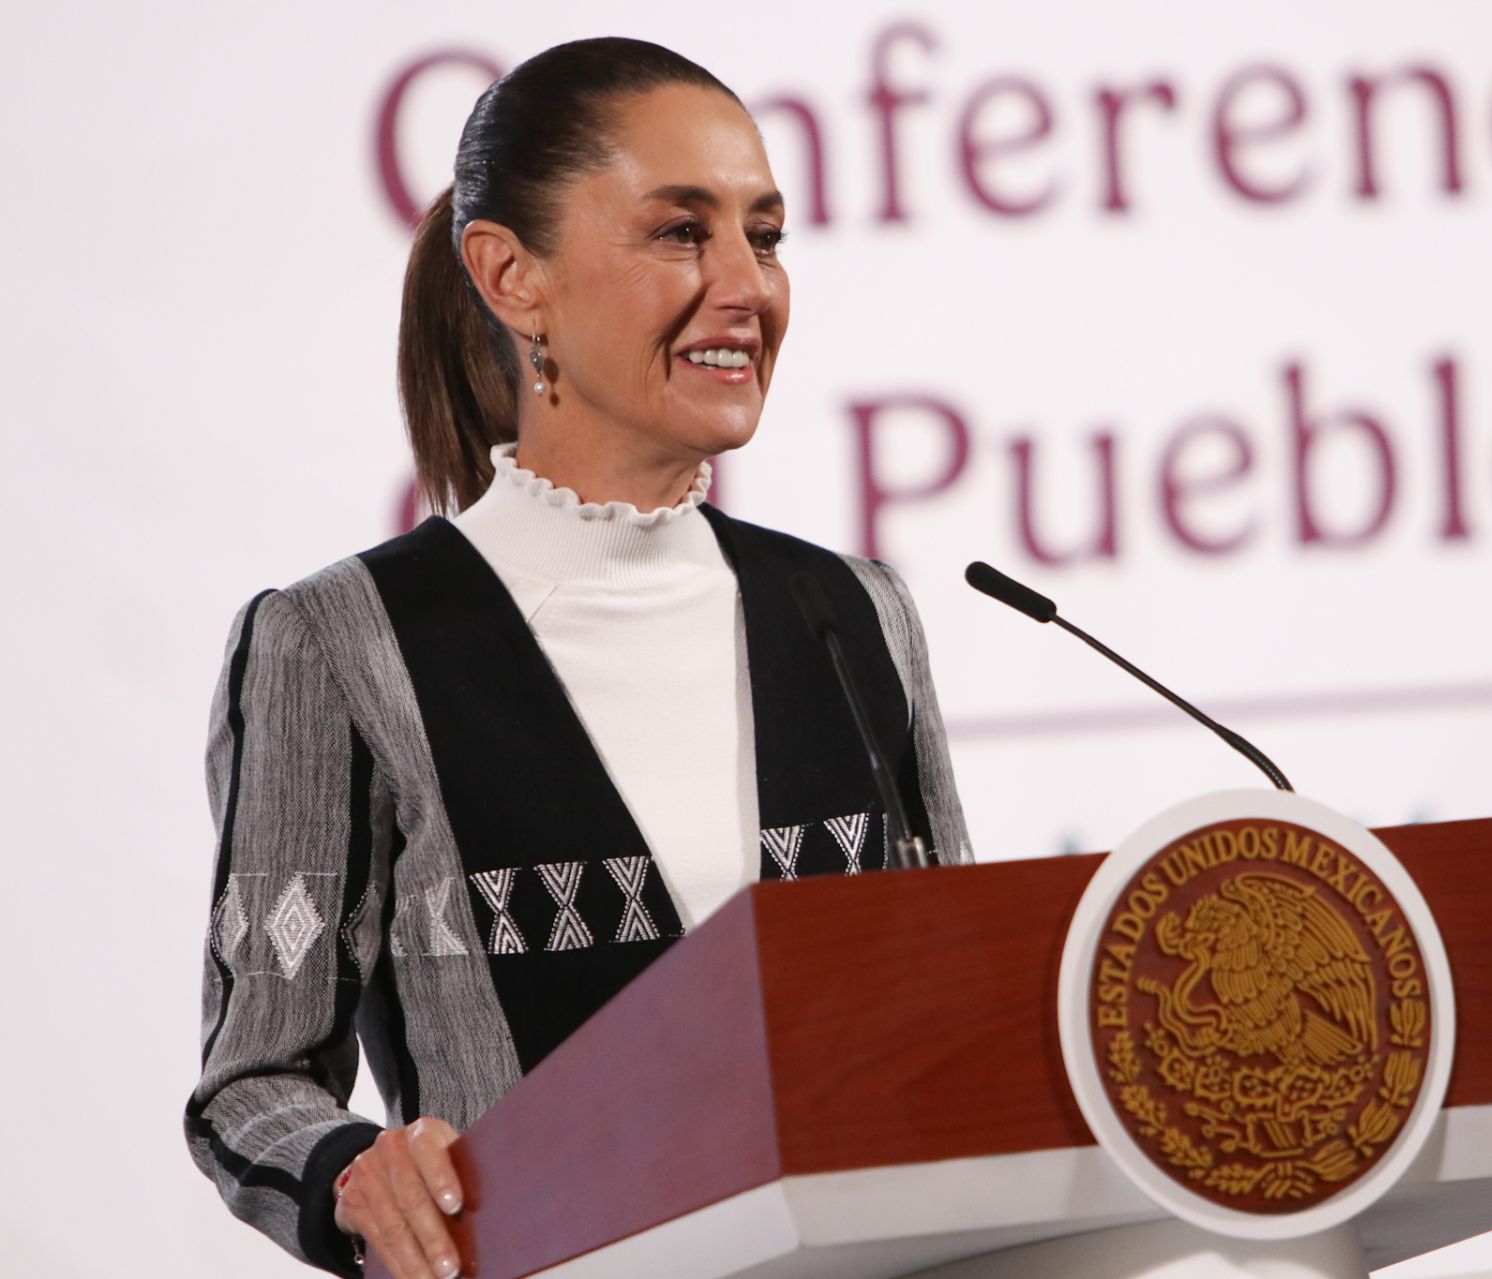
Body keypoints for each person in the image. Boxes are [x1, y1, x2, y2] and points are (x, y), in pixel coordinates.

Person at [185, 37, 972, 1279]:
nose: (745, 287)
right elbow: (252, 1085)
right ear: (511, 277)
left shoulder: (855, 612)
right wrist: (353, 1170)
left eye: (763, 236)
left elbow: (950, 1021)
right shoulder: (342, 645)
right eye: (679, 233)